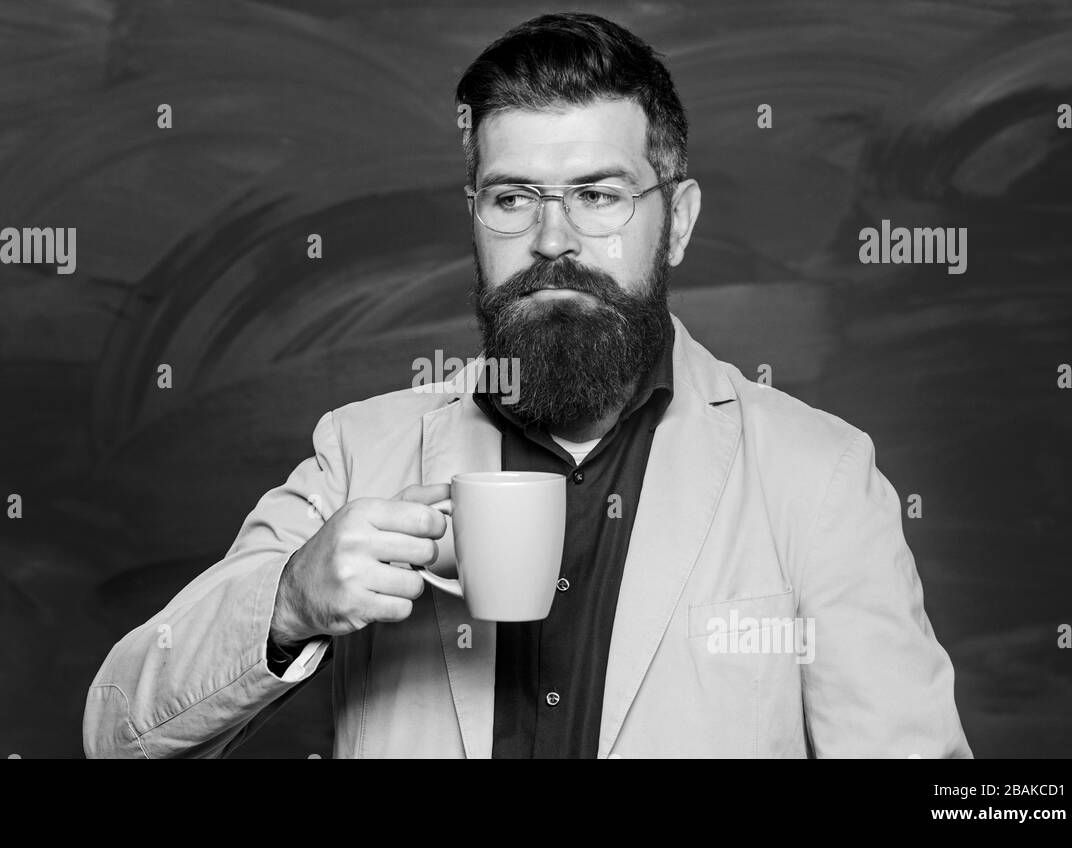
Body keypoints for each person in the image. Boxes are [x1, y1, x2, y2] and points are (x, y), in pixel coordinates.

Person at [83, 11, 971, 758]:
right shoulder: (360, 451)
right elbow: (114, 731)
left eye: (598, 195)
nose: (553, 240)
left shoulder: (817, 472)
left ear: (680, 221)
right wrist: (288, 604)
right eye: (513, 198)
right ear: (474, 217)